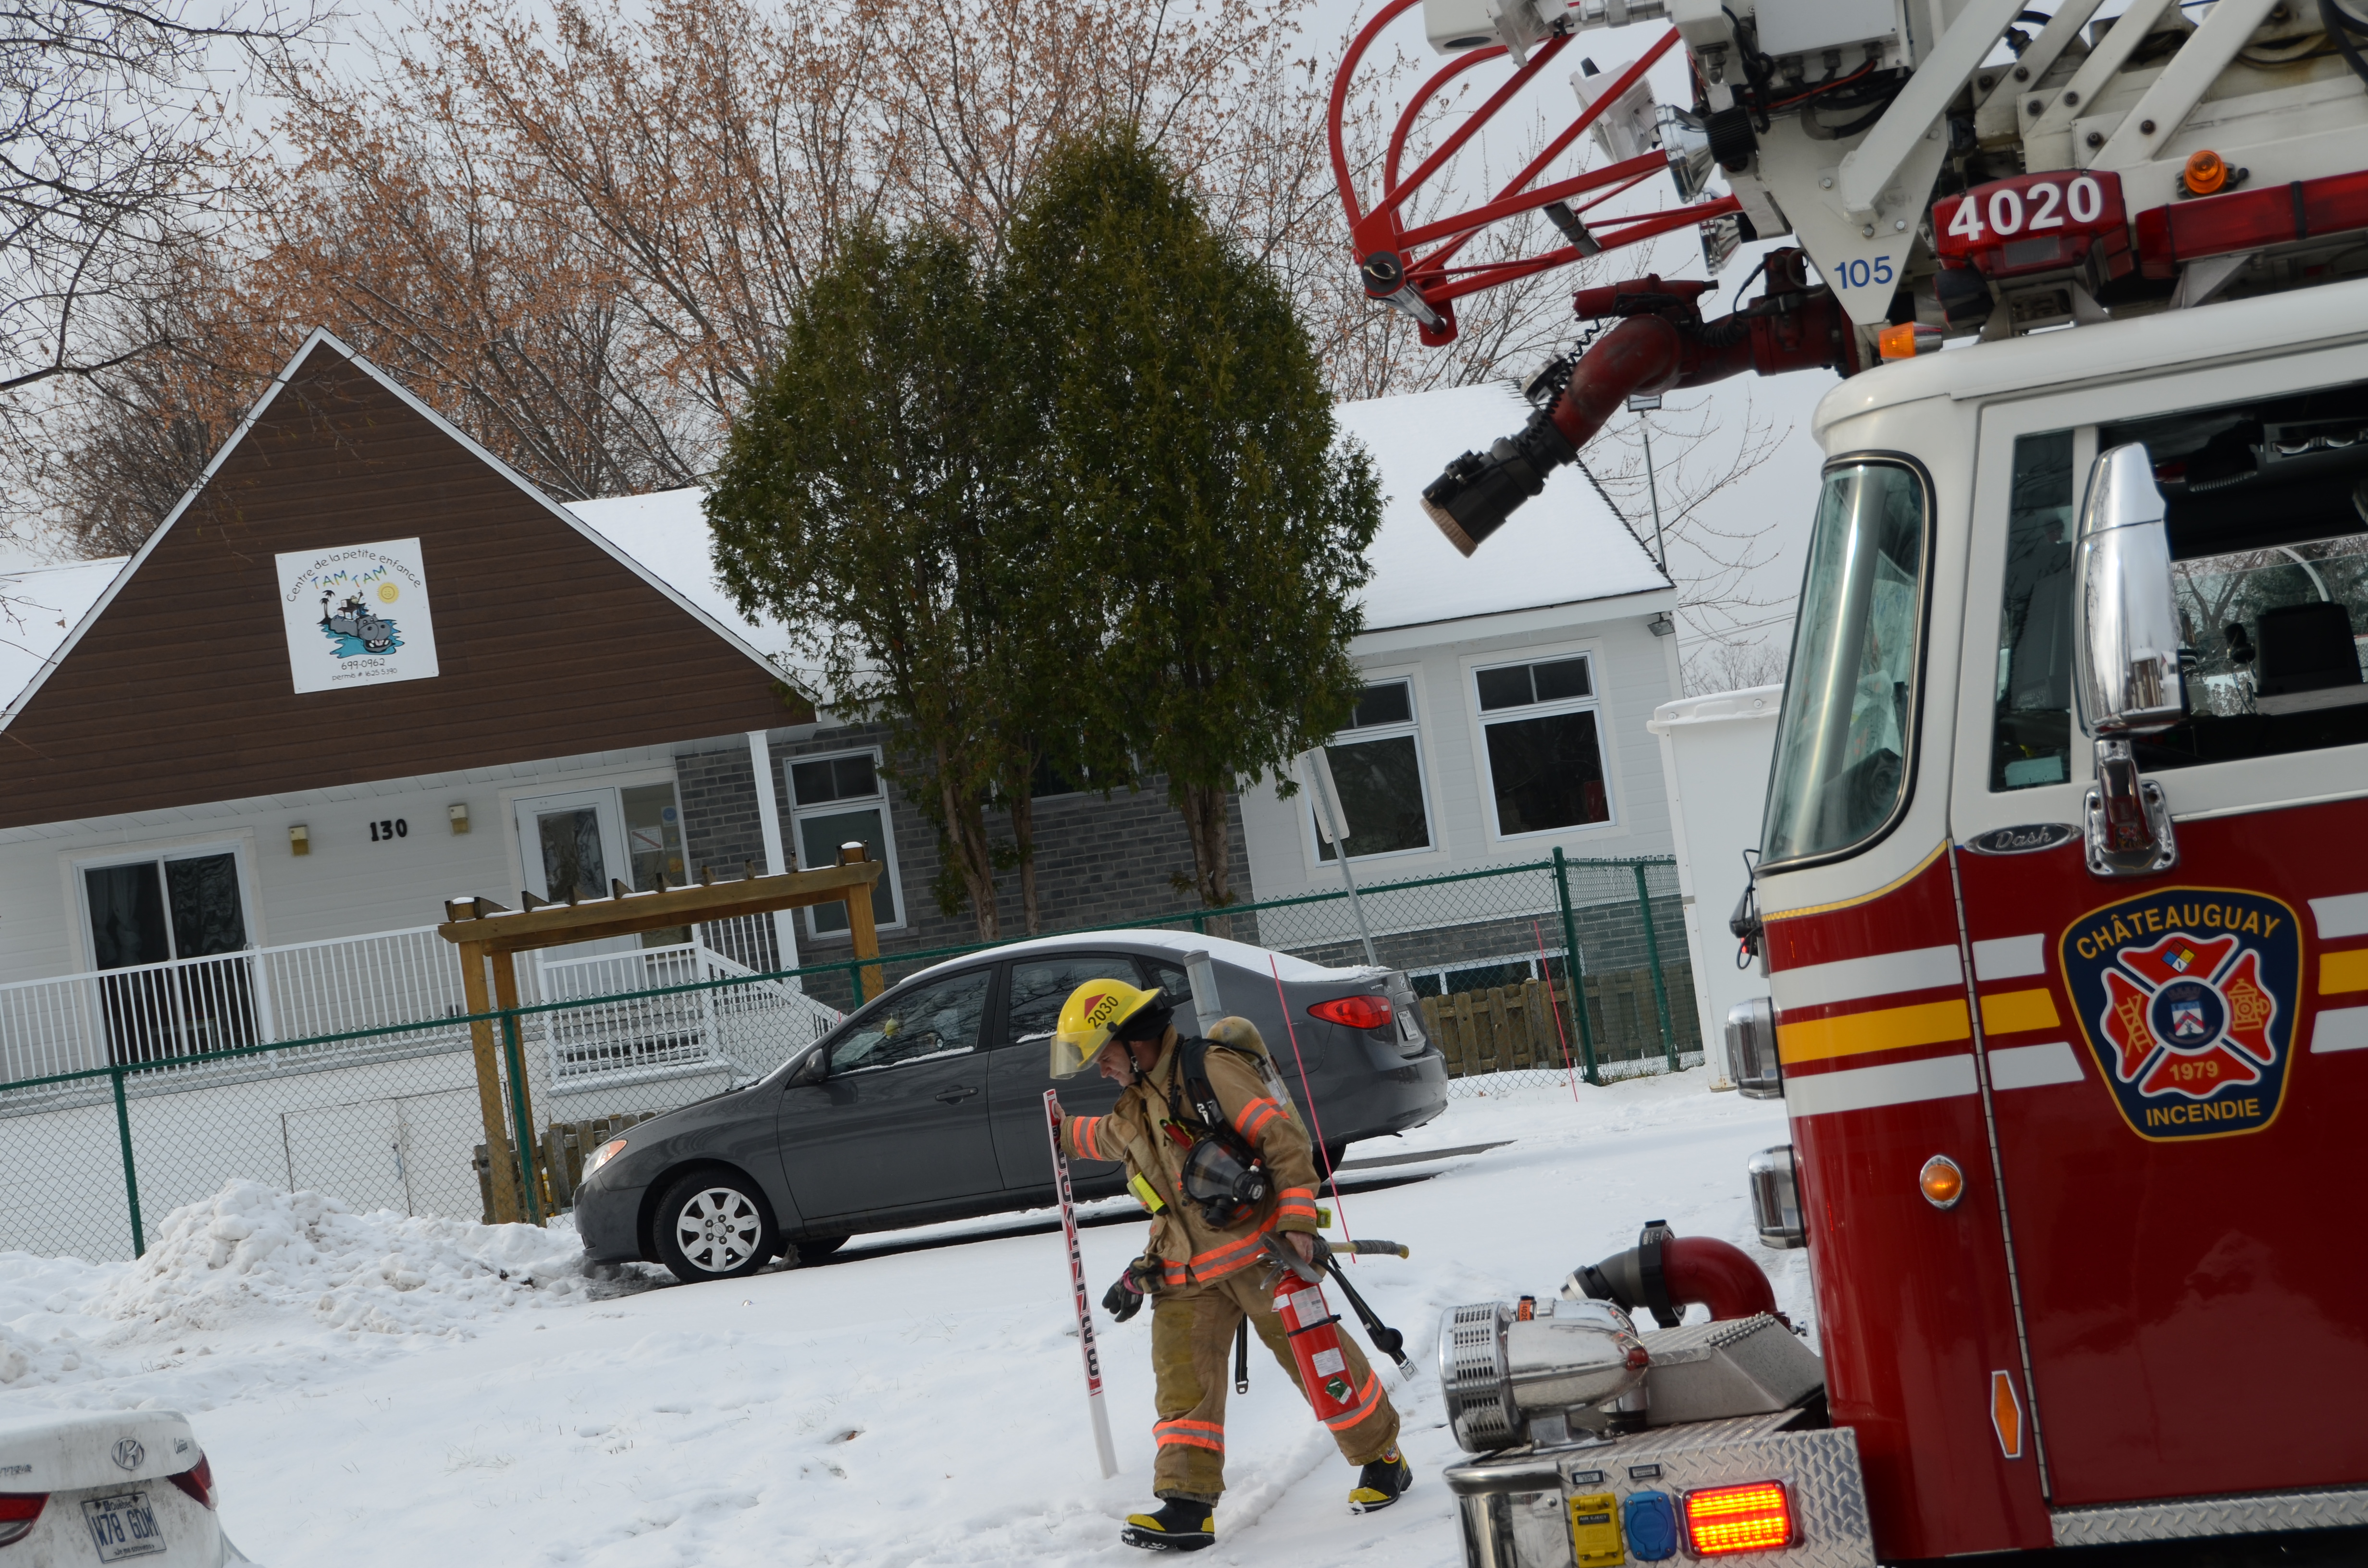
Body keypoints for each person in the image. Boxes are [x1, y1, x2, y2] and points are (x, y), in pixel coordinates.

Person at [1048, 978, 1410, 1553]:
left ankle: (1381, 1456)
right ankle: (1186, 1505)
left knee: (1317, 1364)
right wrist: (1062, 1132)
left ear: (1133, 1041)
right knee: (1181, 1386)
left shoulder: (1209, 1071)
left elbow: (1283, 1141)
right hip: (1185, 1273)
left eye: (1104, 1055)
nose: (1101, 1070)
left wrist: (1295, 1223)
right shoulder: (1139, 1098)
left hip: (1262, 1259)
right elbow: (1120, 1140)